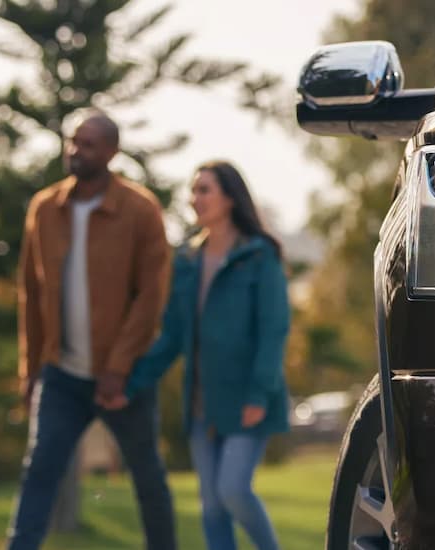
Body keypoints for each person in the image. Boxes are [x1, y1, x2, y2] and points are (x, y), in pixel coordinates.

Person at [7, 111, 177, 550]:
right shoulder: (44, 208)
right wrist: (31, 371)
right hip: (61, 375)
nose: (75, 151)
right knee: (39, 471)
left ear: (111, 152)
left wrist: (119, 367)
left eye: (87, 144)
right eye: (71, 142)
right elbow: (30, 291)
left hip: (123, 377)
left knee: (147, 477)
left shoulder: (140, 210)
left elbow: (151, 297)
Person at [128, 160, 291, 550]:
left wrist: (258, 393)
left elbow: (274, 330)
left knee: (233, 490)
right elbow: (172, 336)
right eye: (193, 190)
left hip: (248, 399)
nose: (194, 198)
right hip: (202, 404)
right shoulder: (186, 261)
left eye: (204, 190)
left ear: (230, 198)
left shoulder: (258, 256)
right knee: (213, 507)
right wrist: (131, 382)